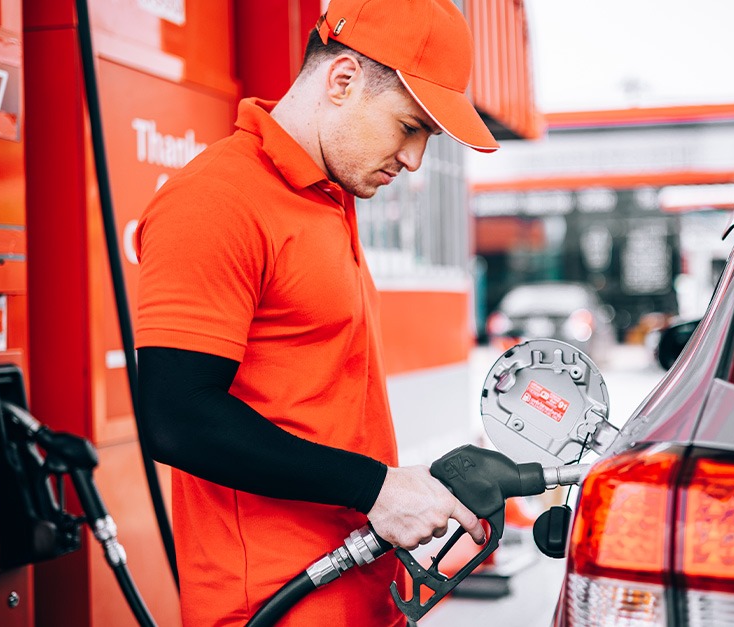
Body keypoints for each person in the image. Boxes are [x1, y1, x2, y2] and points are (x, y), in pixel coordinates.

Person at [134, 0, 499, 625]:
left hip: (353, 590)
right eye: (409, 127)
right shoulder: (218, 200)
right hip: (272, 606)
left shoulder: (326, 196)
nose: (413, 161)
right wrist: (375, 488)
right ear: (343, 80)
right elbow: (178, 416)